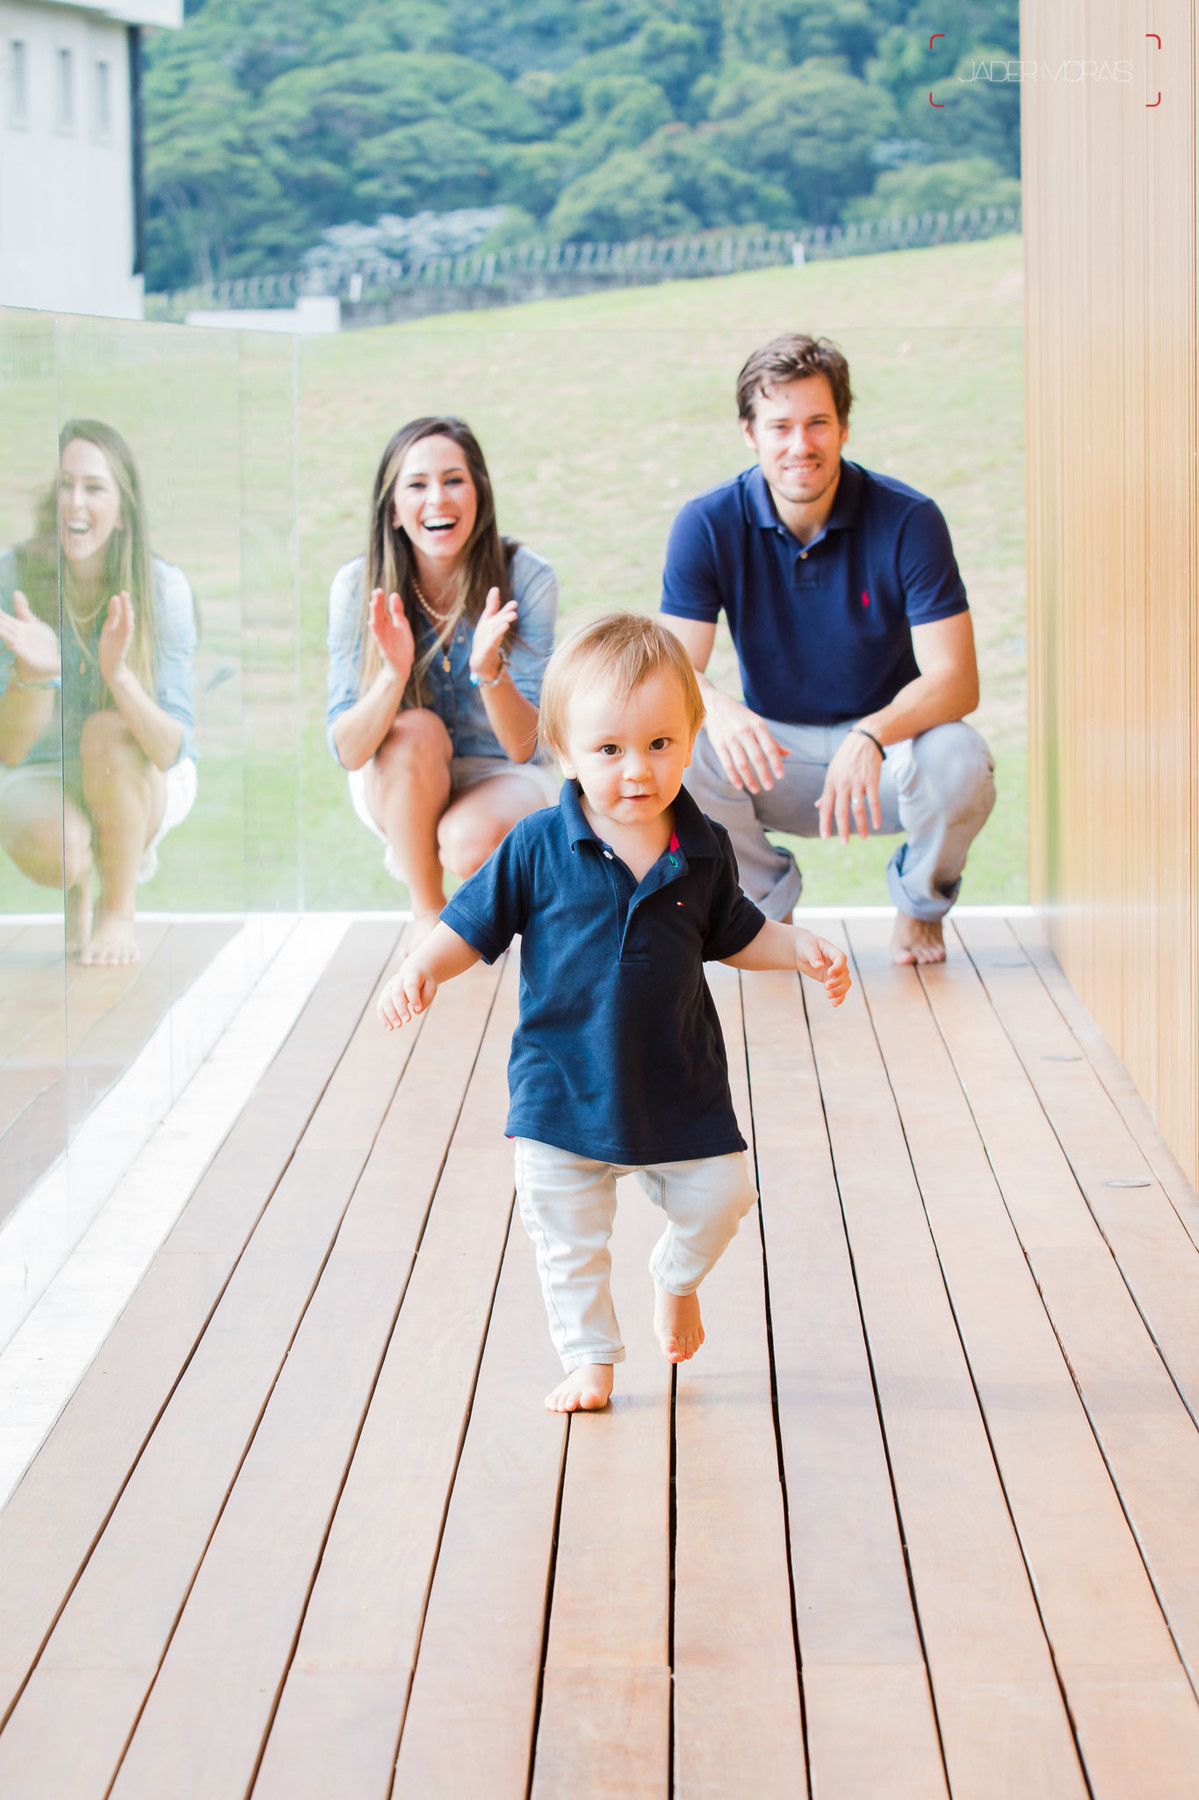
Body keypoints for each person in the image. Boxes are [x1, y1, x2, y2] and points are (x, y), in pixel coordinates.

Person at [377, 613, 850, 1412]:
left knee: (723, 1197)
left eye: (659, 744)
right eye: (608, 750)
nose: (637, 769)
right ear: (564, 753)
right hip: (561, 1088)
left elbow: (735, 933)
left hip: (678, 1084)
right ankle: (589, 1360)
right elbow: (470, 924)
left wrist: (795, 948)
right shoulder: (536, 845)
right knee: (566, 1238)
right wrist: (421, 967)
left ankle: (675, 1276)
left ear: (690, 740)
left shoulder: (701, 847)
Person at [660, 333, 996, 965]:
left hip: (888, 757)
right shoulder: (705, 523)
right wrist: (720, 708)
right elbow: (671, 668)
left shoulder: (910, 518)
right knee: (676, 746)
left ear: (843, 427)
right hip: (775, 759)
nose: (800, 445)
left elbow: (957, 680)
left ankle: (919, 907)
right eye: (780, 426)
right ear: (749, 432)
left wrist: (870, 735)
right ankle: (767, 913)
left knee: (962, 756)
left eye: (817, 423)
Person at [326, 417, 558, 935]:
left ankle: (507, 911)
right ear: (392, 509)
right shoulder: (356, 586)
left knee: (467, 842)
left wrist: (490, 671)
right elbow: (348, 750)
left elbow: (526, 746)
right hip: (402, 772)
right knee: (416, 730)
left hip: (503, 769)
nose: (438, 499)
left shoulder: (528, 578)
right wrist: (393, 676)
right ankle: (427, 915)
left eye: (454, 480)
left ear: (480, 494)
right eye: (416, 485)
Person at [0, 420, 198, 966]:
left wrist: (119, 676)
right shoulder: (12, 577)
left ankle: (116, 911)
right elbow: (9, 748)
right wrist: (36, 674)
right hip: (43, 767)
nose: (75, 502)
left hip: (139, 769)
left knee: (107, 732)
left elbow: (170, 750)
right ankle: (81, 877)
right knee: (59, 850)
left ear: (123, 510)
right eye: (65, 485)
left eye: (94, 487)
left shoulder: (161, 588)